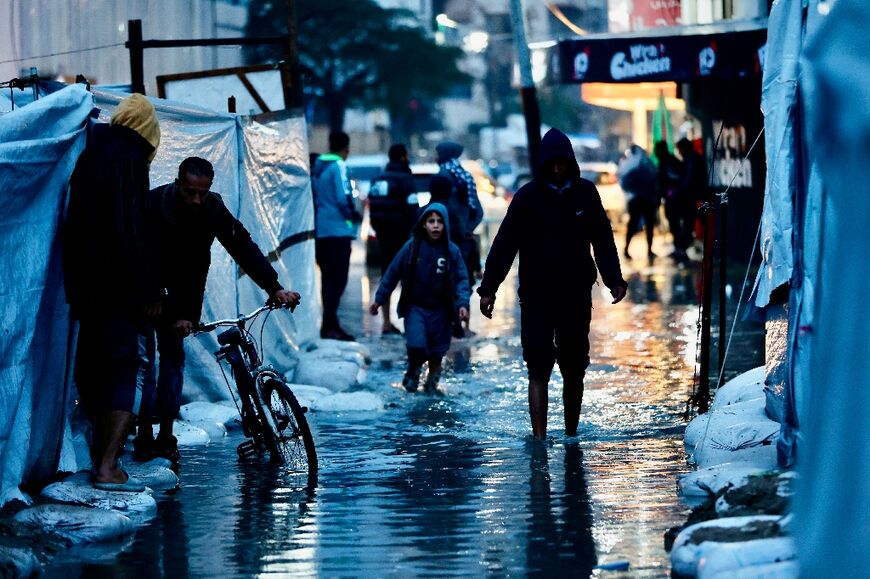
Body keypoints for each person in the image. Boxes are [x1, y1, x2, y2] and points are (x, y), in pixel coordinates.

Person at [133, 157, 301, 464]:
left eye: (203, 193)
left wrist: (273, 287)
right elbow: (141, 255)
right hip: (147, 291)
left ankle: (166, 435)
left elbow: (242, 247)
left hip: (185, 294)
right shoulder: (154, 203)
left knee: (173, 360)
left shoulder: (212, 207)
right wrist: (152, 293)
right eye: (190, 192)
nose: (197, 200)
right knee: (145, 365)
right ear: (177, 183)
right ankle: (144, 433)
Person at [477, 128, 627, 440]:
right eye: (551, 164)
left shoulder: (586, 193)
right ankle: (540, 438)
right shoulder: (527, 198)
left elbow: (602, 239)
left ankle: (571, 433)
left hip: (575, 293)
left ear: (570, 163)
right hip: (536, 294)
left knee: (574, 365)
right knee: (538, 362)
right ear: (543, 165)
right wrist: (488, 288)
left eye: (562, 163)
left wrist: (614, 280)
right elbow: (505, 244)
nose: (557, 170)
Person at [64, 93, 163, 491]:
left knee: (95, 371)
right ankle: (108, 466)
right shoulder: (130, 159)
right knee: (128, 368)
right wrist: (149, 289)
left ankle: (97, 459)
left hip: (86, 289)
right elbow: (130, 230)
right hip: (119, 290)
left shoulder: (91, 153)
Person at [369, 203, 471, 393]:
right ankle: (413, 370)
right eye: (431, 221)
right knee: (417, 346)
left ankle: (431, 390)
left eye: (439, 222)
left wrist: (463, 303)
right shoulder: (412, 248)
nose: (435, 226)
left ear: (445, 225)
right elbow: (392, 273)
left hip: (442, 312)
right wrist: (379, 299)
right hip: (415, 308)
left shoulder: (451, 252)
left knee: (437, 354)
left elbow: (462, 280)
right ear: (423, 224)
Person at [312, 131, 361, 341]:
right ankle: (330, 325)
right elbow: (344, 197)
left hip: (321, 230)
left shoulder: (317, 167)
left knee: (327, 280)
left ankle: (329, 323)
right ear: (346, 149)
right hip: (338, 231)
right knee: (339, 279)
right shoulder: (338, 165)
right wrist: (353, 215)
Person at [368, 144, 417, 335]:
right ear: (403, 156)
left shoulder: (379, 178)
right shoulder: (406, 179)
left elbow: (373, 205)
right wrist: (415, 230)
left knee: (387, 275)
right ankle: (408, 322)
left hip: (383, 234)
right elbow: (412, 207)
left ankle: (386, 322)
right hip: (402, 234)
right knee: (407, 276)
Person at [435, 141, 482, 337]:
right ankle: (464, 326)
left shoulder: (443, 176)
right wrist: (468, 230)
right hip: (463, 241)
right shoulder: (465, 176)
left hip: (448, 241)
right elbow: (477, 210)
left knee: (449, 281)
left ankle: (451, 325)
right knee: (464, 281)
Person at [617, 144, 659, 261]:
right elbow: (654, 178)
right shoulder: (646, 163)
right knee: (646, 225)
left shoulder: (629, 164)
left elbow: (623, 181)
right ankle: (648, 251)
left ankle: (628, 249)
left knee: (634, 224)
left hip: (636, 200)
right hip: (645, 199)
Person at [652, 140, 688, 262]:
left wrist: (669, 192)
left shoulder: (669, 162)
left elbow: (673, 179)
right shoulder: (666, 161)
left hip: (674, 199)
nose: (655, 152)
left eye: (657, 149)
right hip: (671, 198)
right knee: (674, 223)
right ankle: (678, 247)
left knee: (675, 223)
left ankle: (680, 248)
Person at [675, 138, 708, 255]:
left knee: (694, 222)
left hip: (696, 198)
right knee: (694, 223)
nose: (679, 152)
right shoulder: (691, 158)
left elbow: (690, 180)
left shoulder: (692, 159)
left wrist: (682, 192)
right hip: (695, 198)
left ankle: (684, 249)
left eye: (680, 149)